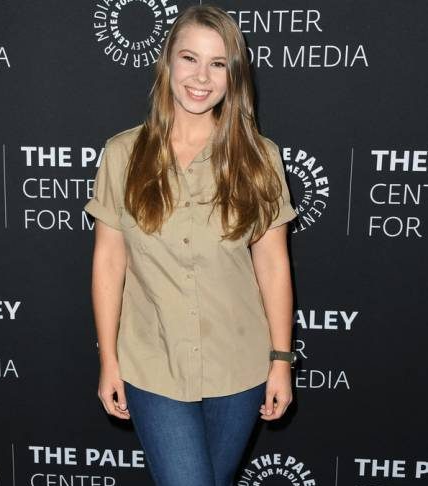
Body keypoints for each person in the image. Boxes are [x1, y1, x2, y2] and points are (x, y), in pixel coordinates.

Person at [84, 5, 298, 486]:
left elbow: (273, 264)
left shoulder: (260, 158)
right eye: (189, 58)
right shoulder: (123, 154)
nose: (201, 77)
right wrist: (109, 361)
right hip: (152, 362)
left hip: (239, 364)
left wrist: (281, 361)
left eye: (217, 63)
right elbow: (109, 261)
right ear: (167, 62)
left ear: (233, 75)